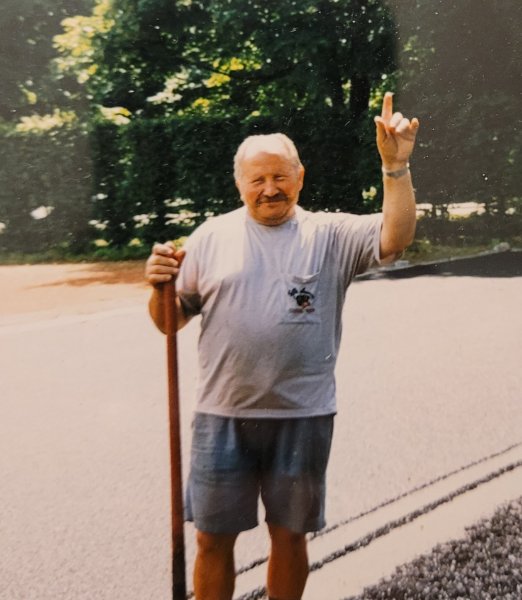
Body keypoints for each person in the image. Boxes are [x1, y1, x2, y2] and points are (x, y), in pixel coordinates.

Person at [145, 92, 419, 600]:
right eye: (257, 180)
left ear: (300, 177)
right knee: (211, 538)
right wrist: (159, 286)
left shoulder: (330, 234)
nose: (270, 189)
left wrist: (395, 168)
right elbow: (170, 321)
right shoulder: (209, 238)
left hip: (303, 415)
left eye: (280, 177)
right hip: (222, 414)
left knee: (289, 536)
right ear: (239, 184)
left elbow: (395, 235)